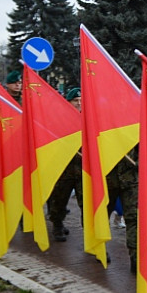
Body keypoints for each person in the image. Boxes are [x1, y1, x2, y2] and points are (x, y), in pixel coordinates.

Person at [47, 88, 83, 242]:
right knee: (59, 200)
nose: (79, 103)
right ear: (68, 102)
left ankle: (91, 236)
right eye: (76, 101)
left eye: (81, 101)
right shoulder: (60, 119)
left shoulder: (88, 119)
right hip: (64, 169)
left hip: (82, 169)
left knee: (87, 205)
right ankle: (57, 224)